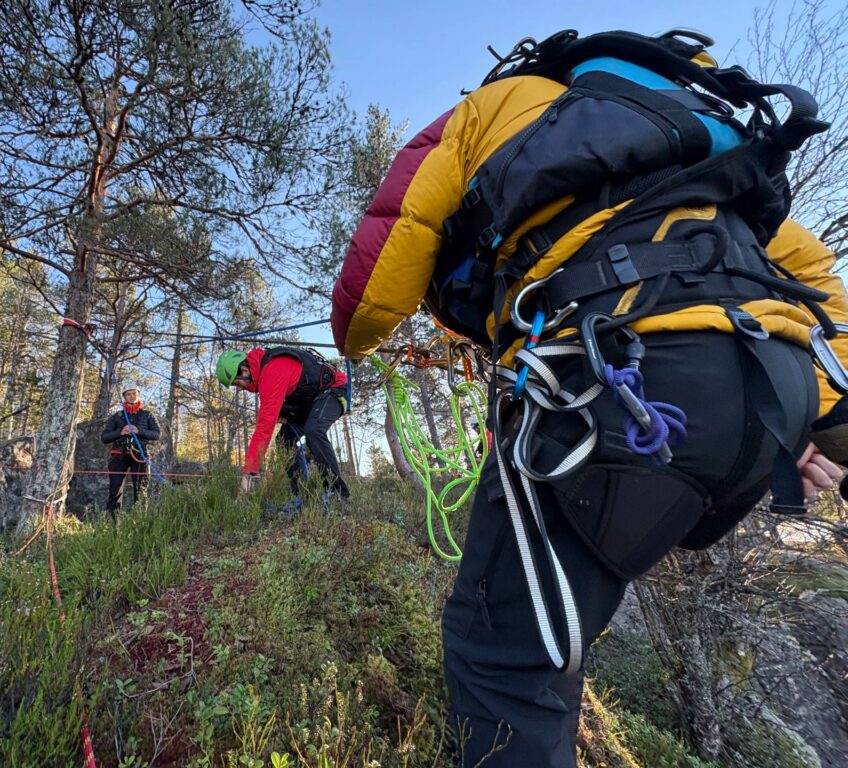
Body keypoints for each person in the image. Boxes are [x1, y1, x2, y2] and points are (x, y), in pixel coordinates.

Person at [330, 28, 848, 767]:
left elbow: (373, 292)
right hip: (767, 394)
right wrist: (817, 414)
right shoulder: (713, 147)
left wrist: (354, 339)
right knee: (555, 624)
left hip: (619, 385)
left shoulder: (492, 108)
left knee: (503, 658)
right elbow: (818, 282)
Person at [216, 346, 351, 503]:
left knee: (313, 430)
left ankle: (338, 494)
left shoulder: (272, 371)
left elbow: (264, 429)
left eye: (236, 383)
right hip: (310, 403)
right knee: (284, 441)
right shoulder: (264, 375)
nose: (239, 388)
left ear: (244, 370)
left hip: (334, 390)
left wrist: (249, 473)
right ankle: (302, 494)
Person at [100, 383, 160, 517]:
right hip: (119, 455)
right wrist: (120, 432)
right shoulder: (117, 416)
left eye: (134, 393)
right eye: (128, 394)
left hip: (140, 455)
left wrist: (139, 431)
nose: (132, 396)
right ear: (124, 397)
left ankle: (140, 522)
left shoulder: (147, 415)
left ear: (138, 394)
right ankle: (112, 523)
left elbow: (156, 434)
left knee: (140, 490)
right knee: (115, 491)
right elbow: (105, 437)